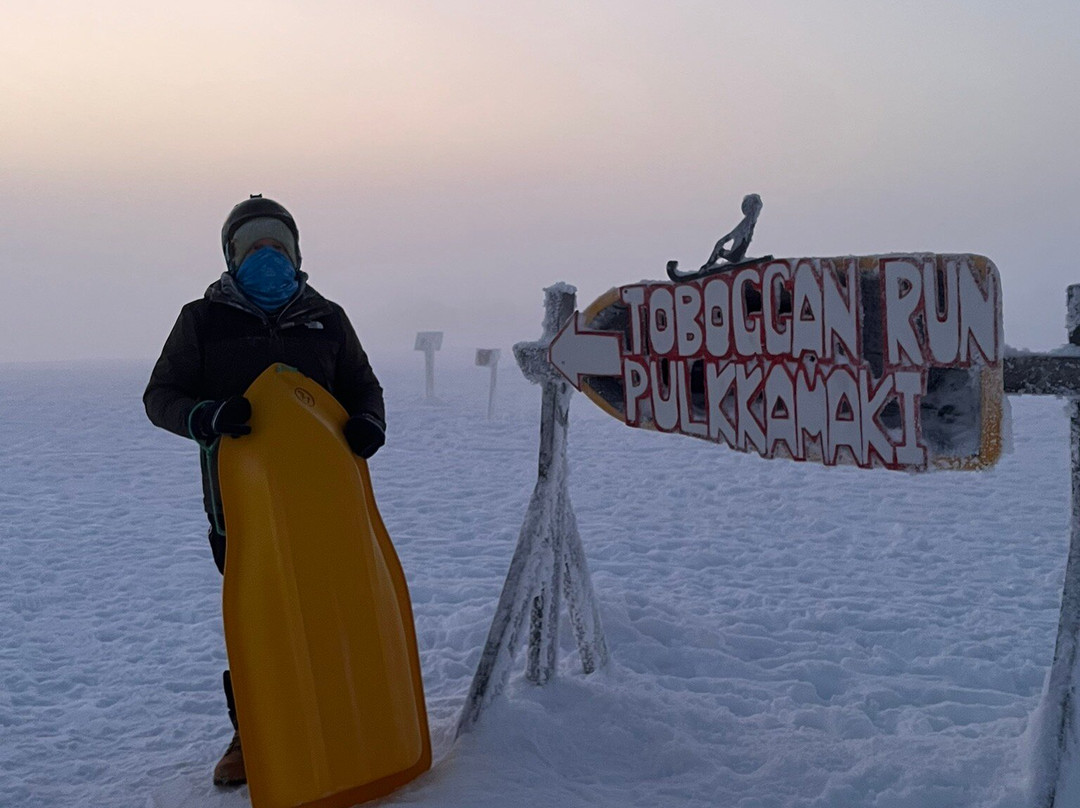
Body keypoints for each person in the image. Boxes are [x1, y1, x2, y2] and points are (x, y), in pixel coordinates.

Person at [143, 195, 386, 786]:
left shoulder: (327, 316)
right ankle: (252, 734)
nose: (267, 256)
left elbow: (362, 384)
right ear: (232, 257)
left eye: (277, 246)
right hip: (244, 509)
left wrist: (368, 424)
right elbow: (161, 396)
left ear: (297, 252)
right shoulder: (202, 320)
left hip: (328, 501)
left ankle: (345, 722)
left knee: (333, 613)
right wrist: (207, 417)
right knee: (261, 622)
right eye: (255, 247)